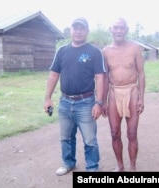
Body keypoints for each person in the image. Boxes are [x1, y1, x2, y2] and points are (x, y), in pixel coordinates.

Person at [44, 17, 106, 175]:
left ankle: (92, 167)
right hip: (65, 102)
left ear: (87, 31)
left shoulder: (94, 52)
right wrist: (47, 99)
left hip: (86, 102)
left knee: (90, 138)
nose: (78, 31)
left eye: (81, 28)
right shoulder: (62, 51)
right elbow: (53, 75)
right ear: (70, 30)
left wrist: (99, 102)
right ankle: (68, 163)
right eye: (75, 28)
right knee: (65, 137)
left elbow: (100, 78)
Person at [102, 17, 146, 172]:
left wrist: (141, 97)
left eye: (122, 28)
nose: (119, 30)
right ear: (111, 30)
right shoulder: (106, 51)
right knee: (114, 133)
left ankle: (132, 167)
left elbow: (141, 73)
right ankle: (120, 166)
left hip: (132, 91)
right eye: (116, 27)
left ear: (126, 30)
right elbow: (105, 77)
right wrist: (103, 101)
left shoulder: (134, 48)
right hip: (114, 93)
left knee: (132, 133)